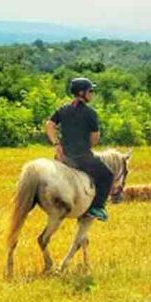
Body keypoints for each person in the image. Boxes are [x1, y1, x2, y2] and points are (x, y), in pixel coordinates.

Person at [45, 77, 114, 221]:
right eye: (90, 91)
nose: (92, 94)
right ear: (82, 93)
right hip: (82, 158)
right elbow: (94, 138)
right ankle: (96, 207)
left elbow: (49, 125)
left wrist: (56, 144)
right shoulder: (90, 113)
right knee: (108, 175)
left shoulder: (63, 109)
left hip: (63, 158)